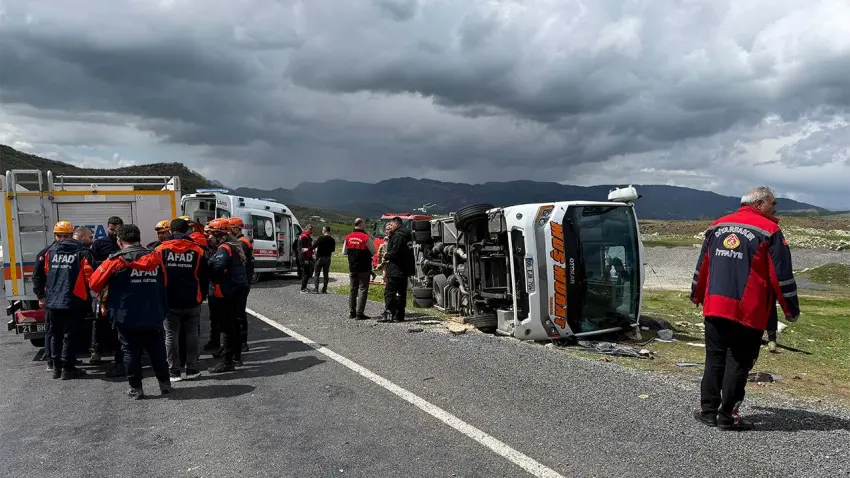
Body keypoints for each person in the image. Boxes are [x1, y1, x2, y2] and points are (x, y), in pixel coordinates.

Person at [690, 186, 801, 431]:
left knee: (714, 360)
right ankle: (727, 416)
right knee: (738, 362)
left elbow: (703, 265)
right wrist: (791, 310)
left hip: (715, 306)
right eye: (773, 204)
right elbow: (781, 275)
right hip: (748, 310)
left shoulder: (717, 226)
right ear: (759, 203)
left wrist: (696, 295)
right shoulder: (770, 231)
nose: (776, 209)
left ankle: (708, 412)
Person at [90, 224, 171, 399]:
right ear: (138, 238)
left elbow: (93, 283)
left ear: (119, 241)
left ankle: (136, 388)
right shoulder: (155, 257)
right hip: (153, 311)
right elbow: (164, 282)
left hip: (125, 314)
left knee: (130, 351)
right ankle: (165, 384)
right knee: (156, 349)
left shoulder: (115, 260)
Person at [31, 221, 95, 380]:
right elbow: (91, 277)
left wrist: (42, 296)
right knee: (70, 335)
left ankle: (56, 368)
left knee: (55, 334)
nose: (61, 238)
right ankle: (68, 368)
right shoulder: (83, 252)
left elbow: (40, 275)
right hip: (75, 300)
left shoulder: (49, 252)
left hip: (53, 301)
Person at [155, 218, 209, 381]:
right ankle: (191, 369)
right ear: (187, 231)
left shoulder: (160, 250)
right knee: (192, 333)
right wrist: (202, 297)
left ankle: (174, 371)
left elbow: (156, 276)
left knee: (170, 335)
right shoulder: (198, 251)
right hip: (192, 299)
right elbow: (204, 277)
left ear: (170, 231)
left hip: (169, 300)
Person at [206, 218, 249, 372]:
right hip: (237, 289)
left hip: (226, 291)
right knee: (234, 325)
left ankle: (227, 361)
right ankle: (236, 358)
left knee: (226, 327)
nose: (209, 237)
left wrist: (208, 273)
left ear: (220, 235)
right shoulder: (235, 245)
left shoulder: (223, 248)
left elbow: (216, 268)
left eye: (212, 234)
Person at [89, 215, 123, 369]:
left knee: (120, 319)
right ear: (107, 228)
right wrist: (108, 264)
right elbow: (90, 263)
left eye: (117, 229)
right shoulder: (99, 244)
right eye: (111, 228)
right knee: (98, 319)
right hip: (103, 287)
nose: (114, 231)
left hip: (120, 288)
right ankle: (96, 350)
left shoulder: (125, 244)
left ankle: (120, 352)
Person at [379, 217, 416, 323]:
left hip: (396, 269)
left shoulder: (398, 236)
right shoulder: (408, 236)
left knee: (389, 293)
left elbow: (395, 252)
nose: (390, 226)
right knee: (401, 293)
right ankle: (400, 315)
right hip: (404, 270)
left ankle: (389, 315)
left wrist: (387, 255)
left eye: (391, 224)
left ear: (397, 223)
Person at [342, 218, 376, 320]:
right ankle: (359, 313)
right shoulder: (366, 237)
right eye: (364, 224)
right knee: (363, 289)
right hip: (364, 267)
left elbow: (344, 252)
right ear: (361, 224)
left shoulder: (348, 237)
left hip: (352, 267)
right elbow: (374, 251)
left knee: (353, 290)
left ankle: (351, 312)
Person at [229, 217, 254, 352]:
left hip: (241, 283)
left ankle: (242, 343)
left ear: (237, 229)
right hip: (243, 282)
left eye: (230, 228)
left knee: (239, 313)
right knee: (238, 312)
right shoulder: (242, 241)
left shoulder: (241, 243)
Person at [312, 225, 336, 294]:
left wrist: (308, 249)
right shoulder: (332, 239)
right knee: (326, 274)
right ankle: (324, 289)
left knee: (317, 274)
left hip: (320, 258)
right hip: (328, 258)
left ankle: (316, 289)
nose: (322, 231)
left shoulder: (321, 238)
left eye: (322, 230)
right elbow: (333, 250)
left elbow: (314, 246)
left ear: (324, 230)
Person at [298, 224, 315, 293]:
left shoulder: (306, 236)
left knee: (307, 273)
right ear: (306, 229)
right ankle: (302, 289)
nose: (311, 231)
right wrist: (306, 259)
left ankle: (304, 287)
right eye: (310, 229)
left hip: (306, 257)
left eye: (312, 229)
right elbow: (303, 249)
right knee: (306, 273)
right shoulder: (304, 237)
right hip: (304, 257)